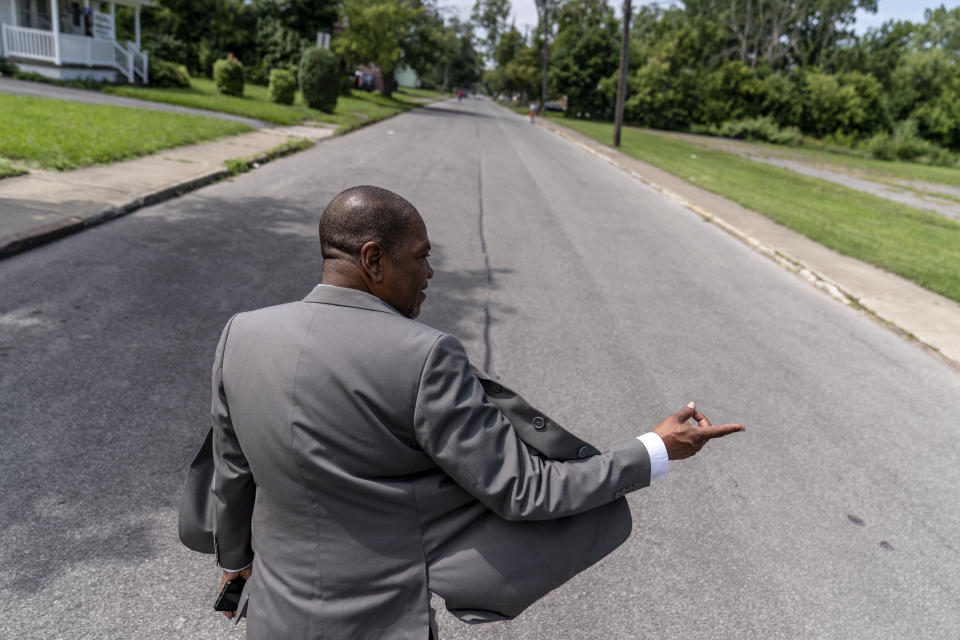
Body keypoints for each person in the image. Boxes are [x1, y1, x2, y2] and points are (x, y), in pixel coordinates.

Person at [205, 185, 744, 639]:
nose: (430, 273)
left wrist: (234, 566)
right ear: (373, 259)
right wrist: (655, 449)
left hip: (274, 618)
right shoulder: (423, 356)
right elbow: (526, 491)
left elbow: (234, 474)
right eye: (420, 256)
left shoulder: (241, 334)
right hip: (382, 623)